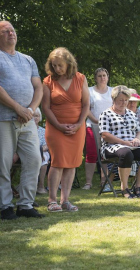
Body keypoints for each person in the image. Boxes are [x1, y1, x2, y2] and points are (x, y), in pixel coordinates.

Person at [0, 21, 44, 220]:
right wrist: (17, 107)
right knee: (3, 163)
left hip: (27, 120)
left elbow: (38, 87)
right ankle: (4, 206)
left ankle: (25, 205)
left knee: (34, 159)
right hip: (4, 118)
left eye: (12, 30)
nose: (11, 33)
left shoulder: (28, 59)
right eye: (5, 31)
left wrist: (30, 110)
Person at [42, 47, 90, 212]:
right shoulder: (48, 81)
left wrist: (78, 124)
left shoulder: (80, 78)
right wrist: (59, 126)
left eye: (60, 65)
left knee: (71, 164)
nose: (57, 69)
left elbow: (86, 104)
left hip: (77, 127)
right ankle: (52, 200)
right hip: (56, 127)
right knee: (57, 163)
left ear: (69, 63)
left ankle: (65, 200)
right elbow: (46, 108)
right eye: (54, 65)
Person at [99, 86, 140, 198]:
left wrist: (137, 138)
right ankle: (125, 188)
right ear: (113, 99)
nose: (124, 103)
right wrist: (124, 142)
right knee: (126, 153)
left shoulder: (131, 114)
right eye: (121, 100)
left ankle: (138, 187)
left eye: (126, 100)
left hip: (131, 145)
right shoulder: (106, 114)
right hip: (111, 146)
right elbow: (105, 135)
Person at [83, 68, 112, 190]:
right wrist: (96, 120)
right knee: (92, 153)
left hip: (110, 127)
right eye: (99, 76)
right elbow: (86, 108)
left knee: (106, 153)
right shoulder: (89, 91)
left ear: (107, 77)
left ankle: (104, 180)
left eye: (104, 75)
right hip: (92, 125)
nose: (102, 78)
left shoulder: (112, 91)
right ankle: (88, 182)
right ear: (95, 78)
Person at [33, 108, 50, 194]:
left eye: (37, 116)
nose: (35, 118)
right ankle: (32, 186)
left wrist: (40, 151)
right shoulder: (25, 130)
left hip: (42, 151)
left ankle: (41, 186)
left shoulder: (43, 131)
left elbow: (47, 145)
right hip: (29, 152)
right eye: (33, 116)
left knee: (45, 157)